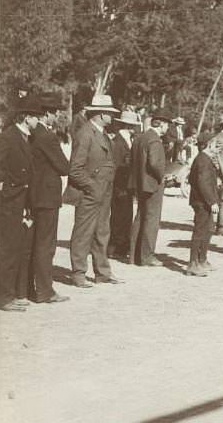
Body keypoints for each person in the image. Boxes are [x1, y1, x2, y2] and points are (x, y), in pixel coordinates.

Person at [66, 94, 123, 287]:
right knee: (83, 233)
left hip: (103, 192)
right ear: (99, 114)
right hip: (89, 194)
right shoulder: (85, 134)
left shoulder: (102, 134)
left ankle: (102, 272)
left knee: (101, 232)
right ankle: (78, 273)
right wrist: (92, 187)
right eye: (109, 113)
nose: (112, 116)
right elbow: (75, 169)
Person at [0, 95, 43, 311]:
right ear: (26, 118)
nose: (38, 122)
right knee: (7, 248)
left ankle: (10, 292)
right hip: (9, 201)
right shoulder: (8, 137)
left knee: (15, 247)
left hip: (20, 200)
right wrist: (5, 187)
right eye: (36, 118)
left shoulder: (25, 137)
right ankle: (3, 297)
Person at [27, 93, 71, 304]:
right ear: (46, 114)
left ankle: (28, 287)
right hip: (47, 196)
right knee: (46, 244)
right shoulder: (47, 136)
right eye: (55, 113)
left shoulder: (31, 134)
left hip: (33, 195)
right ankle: (45, 290)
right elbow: (64, 167)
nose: (57, 116)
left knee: (33, 242)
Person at [130, 109, 169, 267]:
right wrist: (163, 175)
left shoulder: (140, 138)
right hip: (153, 184)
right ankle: (147, 256)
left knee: (140, 218)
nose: (168, 128)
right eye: (167, 124)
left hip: (140, 183)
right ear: (162, 124)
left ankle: (133, 255)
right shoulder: (155, 140)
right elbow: (154, 163)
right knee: (151, 220)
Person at [107, 109, 141, 261]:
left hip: (125, 186)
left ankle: (120, 245)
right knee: (119, 217)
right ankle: (115, 246)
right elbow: (116, 166)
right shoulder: (118, 142)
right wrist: (118, 187)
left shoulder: (125, 140)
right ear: (128, 126)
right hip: (120, 186)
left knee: (125, 216)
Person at [186, 132, 220, 276]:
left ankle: (202, 259)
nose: (217, 147)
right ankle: (192, 264)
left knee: (208, 229)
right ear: (208, 144)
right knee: (200, 231)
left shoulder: (205, 159)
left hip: (204, 200)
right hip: (202, 202)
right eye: (215, 144)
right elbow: (203, 183)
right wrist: (212, 201)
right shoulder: (203, 160)